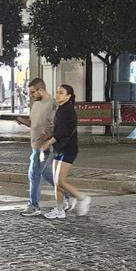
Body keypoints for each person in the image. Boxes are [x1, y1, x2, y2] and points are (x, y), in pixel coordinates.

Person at [14, 77, 70, 215]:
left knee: (33, 174)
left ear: (40, 90)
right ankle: (68, 197)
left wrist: (44, 139)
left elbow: (55, 127)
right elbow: (33, 123)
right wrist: (22, 121)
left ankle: (34, 206)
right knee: (46, 174)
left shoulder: (52, 104)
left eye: (33, 92)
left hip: (44, 147)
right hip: (35, 145)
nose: (31, 95)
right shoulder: (36, 104)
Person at [38, 84, 90, 219]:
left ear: (68, 96)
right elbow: (57, 130)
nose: (58, 95)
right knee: (57, 182)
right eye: (57, 92)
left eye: (61, 93)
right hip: (59, 149)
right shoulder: (61, 109)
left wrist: (47, 143)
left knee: (60, 181)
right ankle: (59, 210)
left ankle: (81, 197)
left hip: (68, 149)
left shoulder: (68, 111)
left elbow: (62, 132)